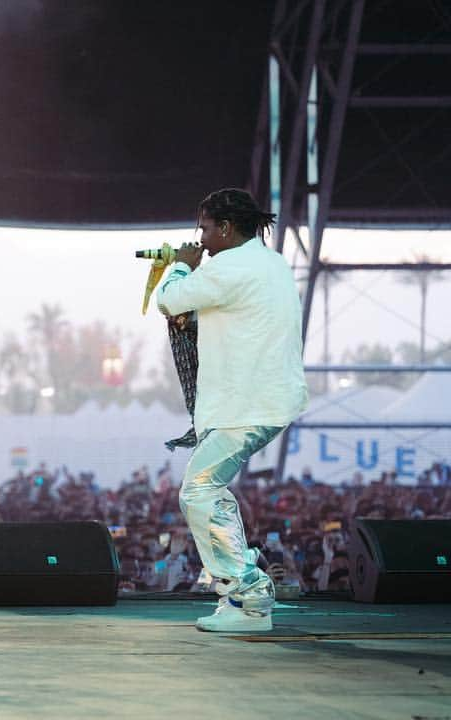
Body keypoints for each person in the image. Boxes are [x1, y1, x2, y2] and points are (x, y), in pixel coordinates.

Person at [156, 188, 307, 632]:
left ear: (224, 227)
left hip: (246, 406)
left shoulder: (229, 267)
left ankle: (248, 599)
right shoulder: (271, 264)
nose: (198, 238)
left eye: (203, 228)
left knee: (199, 491)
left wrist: (181, 264)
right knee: (208, 490)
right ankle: (242, 589)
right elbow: (232, 317)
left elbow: (170, 298)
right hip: (265, 401)